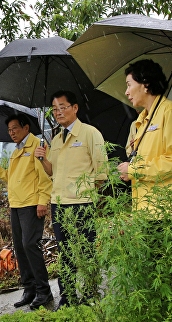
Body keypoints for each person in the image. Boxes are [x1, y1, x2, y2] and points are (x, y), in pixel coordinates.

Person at [34, 90, 108, 311]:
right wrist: (42, 159)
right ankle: (67, 297)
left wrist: (87, 196)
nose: (58, 113)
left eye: (62, 107)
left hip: (82, 204)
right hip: (59, 205)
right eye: (55, 109)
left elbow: (101, 173)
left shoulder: (90, 133)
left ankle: (90, 294)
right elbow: (51, 172)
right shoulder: (56, 139)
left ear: (75, 108)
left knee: (86, 252)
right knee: (65, 253)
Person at [0, 113, 53, 310]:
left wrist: (42, 201)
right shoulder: (16, 151)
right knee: (21, 248)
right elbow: (11, 178)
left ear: (26, 128)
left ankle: (43, 290)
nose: (11, 132)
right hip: (16, 205)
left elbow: (44, 177)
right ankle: (29, 288)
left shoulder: (36, 146)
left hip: (31, 204)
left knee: (30, 244)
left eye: (15, 128)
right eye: (9, 130)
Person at [117, 59, 172, 212]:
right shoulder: (142, 120)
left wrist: (134, 170)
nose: (126, 92)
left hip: (163, 211)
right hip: (143, 210)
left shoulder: (168, 113)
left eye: (129, 84)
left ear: (145, 84)